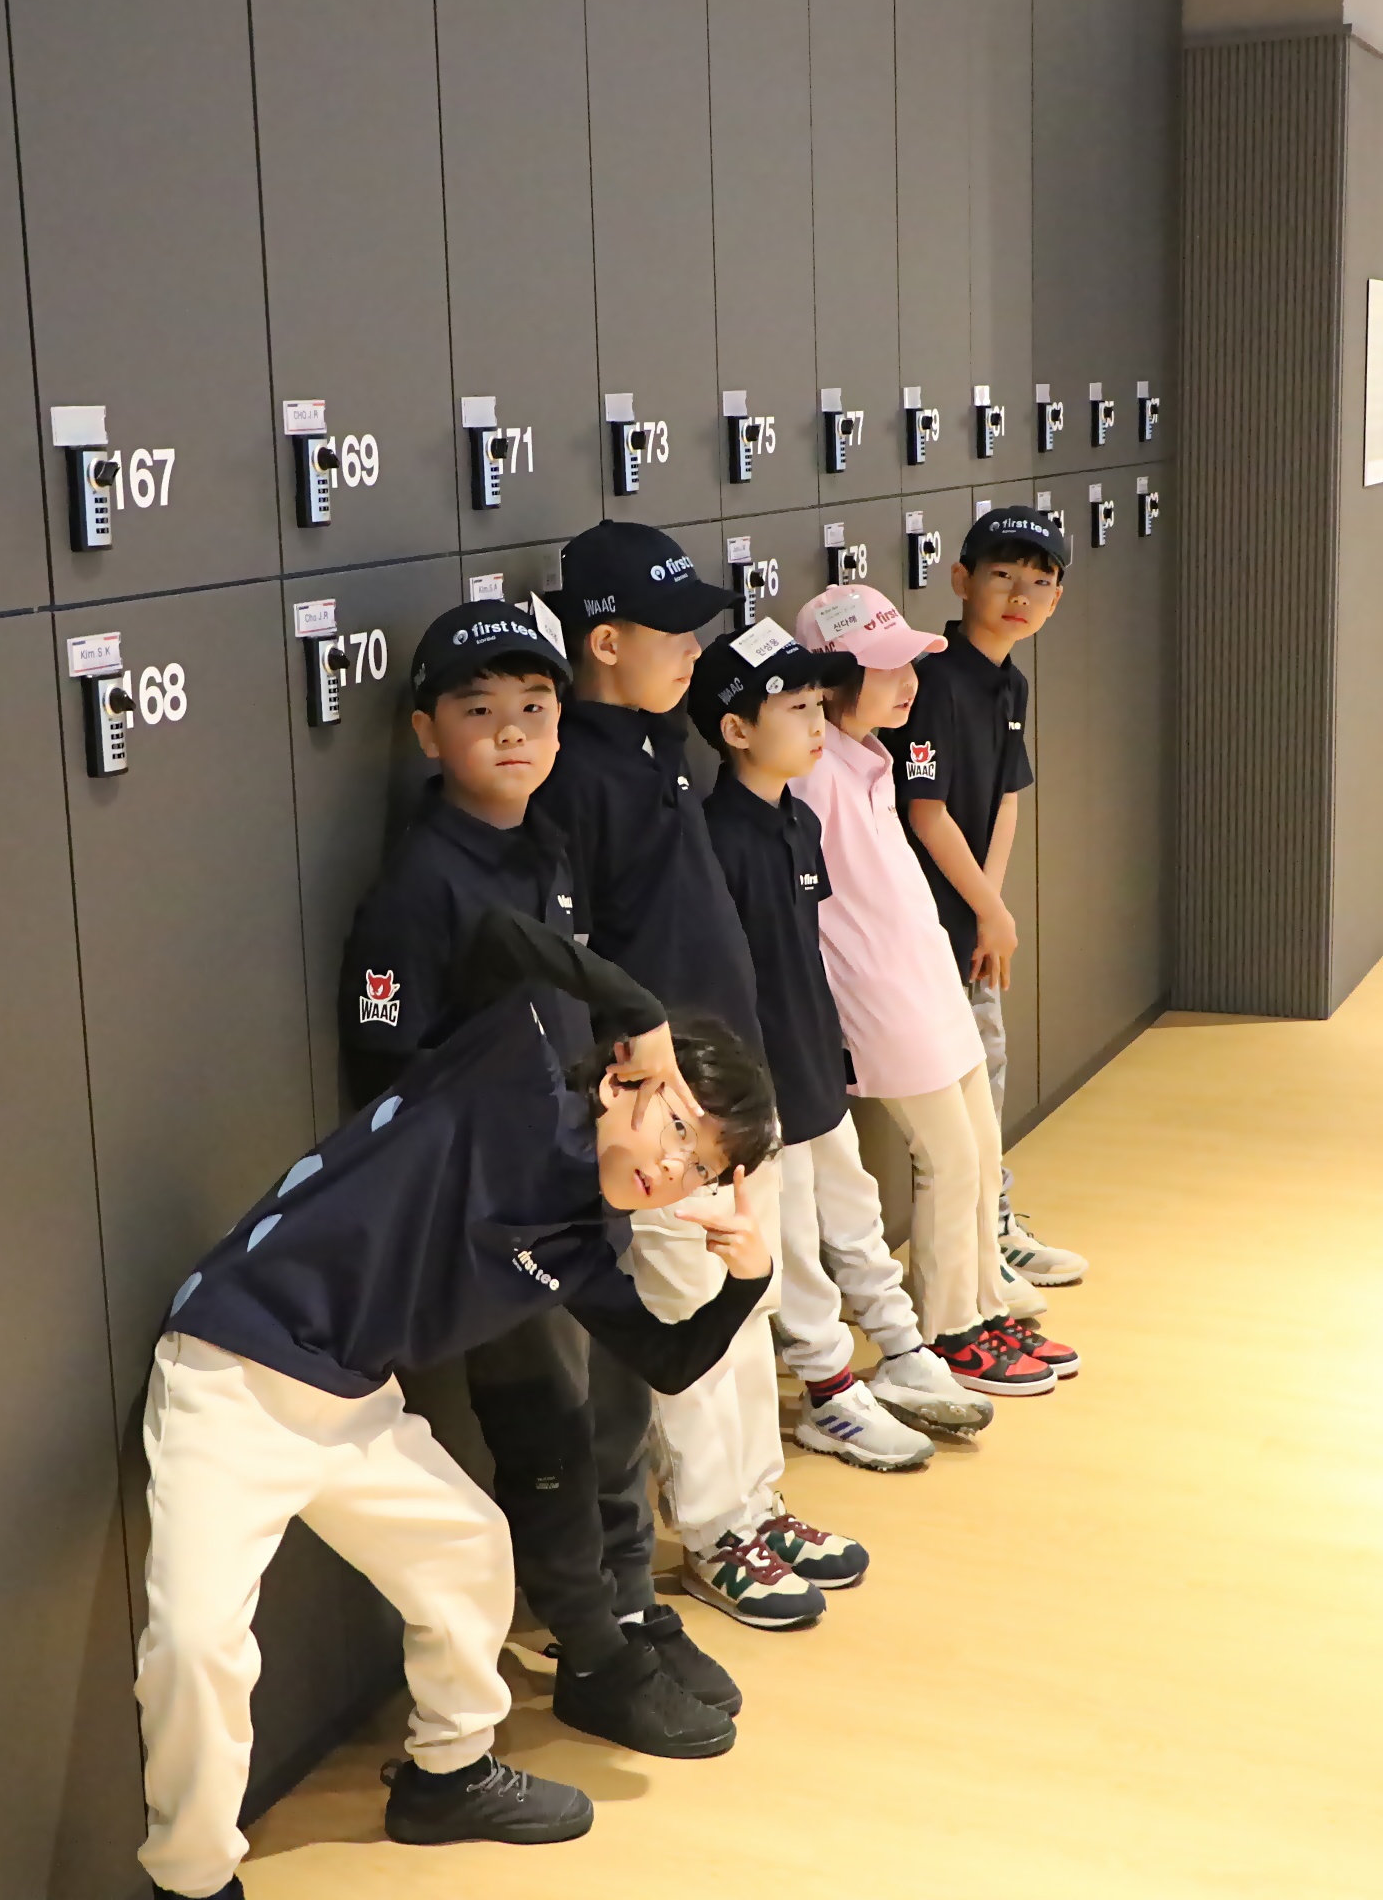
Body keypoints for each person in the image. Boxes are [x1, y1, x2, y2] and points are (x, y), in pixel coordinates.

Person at [135, 908, 781, 1900]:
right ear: (626, 1079)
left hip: (353, 1403)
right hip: (233, 1370)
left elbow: (667, 1359)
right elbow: (491, 935)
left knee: (471, 1550)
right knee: (195, 1642)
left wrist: (746, 1280)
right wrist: (638, 1007)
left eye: (701, 1169)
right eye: (680, 1129)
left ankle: (448, 1776)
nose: (673, 1172)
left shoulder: (584, 1238)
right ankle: (191, 1881)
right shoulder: (511, 1074)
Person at [336, 600, 740, 1761]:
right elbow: (391, 1070)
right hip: (498, 1217)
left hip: (579, 1178)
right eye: (480, 711)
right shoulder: (420, 883)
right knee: (552, 1426)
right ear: (428, 732)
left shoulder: (545, 843)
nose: (513, 731)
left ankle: (630, 1605)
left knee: (614, 1408)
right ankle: (590, 1650)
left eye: (534, 706)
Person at [534, 521, 864, 1632]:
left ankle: (759, 1501)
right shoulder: (574, 770)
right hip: (666, 1115)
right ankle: (719, 1529)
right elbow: (580, 962)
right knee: (690, 1313)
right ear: (606, 641)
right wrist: (637, 1103)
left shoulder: (658, 740)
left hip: (730, 1090)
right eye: (673, 632)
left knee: (746, 1301)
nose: (693, 649)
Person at [691, 622, 991, 1469]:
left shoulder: (796, 820)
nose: (817, 722)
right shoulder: (716, 838)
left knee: (854, 1211)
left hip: (816, 1056)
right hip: (764, 1080)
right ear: (736, 729)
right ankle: (829, 1390)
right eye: (794, 708)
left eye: (818, 704)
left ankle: (901, 1348)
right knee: (793, 1240)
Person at [795, 585, 1075, 1397]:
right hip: (882, 1002)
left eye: (910, 664)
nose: (909, 682)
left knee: (981, 1152)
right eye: (887, 669)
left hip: (929, 981)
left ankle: (983, 1305)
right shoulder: (812, 775)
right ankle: (950, 1332)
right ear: (834, 680)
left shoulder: (871, 757)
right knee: (949, 1161)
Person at [895, 508, 1090, 1296]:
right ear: (960, 580)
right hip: (922, 920)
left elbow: (1006, 797)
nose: (1019, 596)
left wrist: (990, 906)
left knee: (989, 1065)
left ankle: (992, 1223)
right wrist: (987, 910)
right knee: (960, 1089)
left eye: (1039, 583)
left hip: (970, 913)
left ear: (1056, 601)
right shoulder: (934, 680)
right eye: (1002, 576)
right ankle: (977, 1240)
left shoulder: (1012, 681)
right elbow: (926, 812)